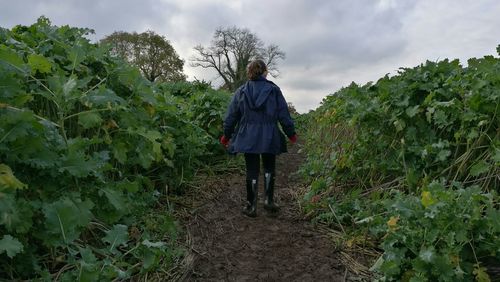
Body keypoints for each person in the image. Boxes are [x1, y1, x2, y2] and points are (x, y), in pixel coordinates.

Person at [219, 59, 297, 217]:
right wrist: (291, 133)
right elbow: (283, 114)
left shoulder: (241, 91)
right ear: (265, 72)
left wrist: (226, 136)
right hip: (269, 135)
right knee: (269, 167)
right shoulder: (273, 90)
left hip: (248, 136)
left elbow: (231, 116)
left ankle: (251, 206)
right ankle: (268, 201)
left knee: (252, 170)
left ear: (250, 72)